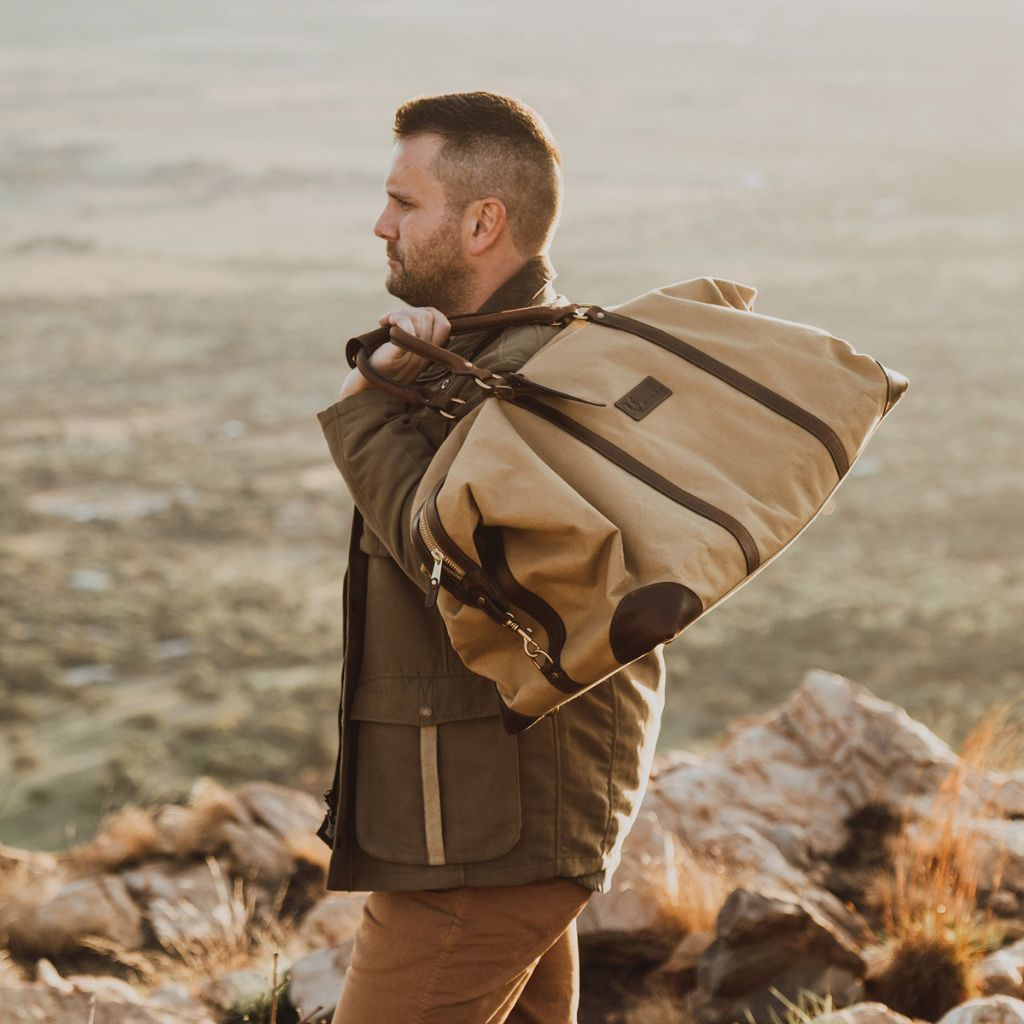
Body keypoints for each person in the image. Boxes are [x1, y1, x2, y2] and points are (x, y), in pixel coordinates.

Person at [314, 91, 666, 1024]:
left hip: (484, 842)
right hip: (487, 825)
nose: (380, 223)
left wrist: (365, 405)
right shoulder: (481, 362)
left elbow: (454, 566)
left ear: (482, 222)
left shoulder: (540, 381)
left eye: (405, 201)